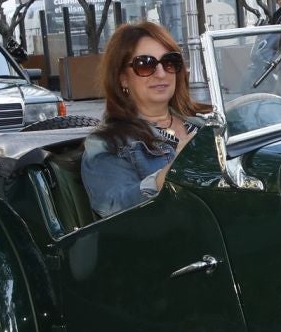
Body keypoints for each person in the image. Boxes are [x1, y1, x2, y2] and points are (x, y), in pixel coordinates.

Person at [81, 21, 212, 218]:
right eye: (145, 64)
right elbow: (116, 207)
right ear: (122, 78)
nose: (161, 73)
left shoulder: (204, 123)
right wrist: (174, 171)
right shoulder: (108, 143)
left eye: (170, 62)